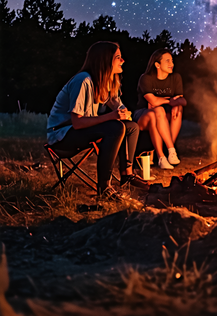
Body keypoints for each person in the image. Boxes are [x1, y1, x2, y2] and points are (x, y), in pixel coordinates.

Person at [47, 41, 147, 199]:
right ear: (105, 60)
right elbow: (78, 123)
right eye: (118, 57)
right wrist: (113, 116)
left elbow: (122, 111)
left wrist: (122, 114)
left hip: (80, 131)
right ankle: (104, 188)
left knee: (131, 126)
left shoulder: (106, 83)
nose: (123, 61)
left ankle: (127, 175)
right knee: (115, 127)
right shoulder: (83, 81)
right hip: (62, 135)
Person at [134, 49, 187, 170]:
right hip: (142, 115)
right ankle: (166, 153)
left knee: (178, 109)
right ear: (157, 64)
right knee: (158, 110)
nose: (171, 64)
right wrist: (171, 100)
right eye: (167, 61)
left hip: (162, 116)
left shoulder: (175, 78)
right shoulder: (146, 78)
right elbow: (153, 102)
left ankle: (169, 153)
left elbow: (183, 100)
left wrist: (176, 104)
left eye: (172, 60)